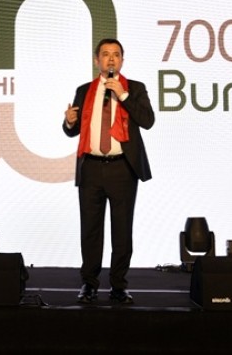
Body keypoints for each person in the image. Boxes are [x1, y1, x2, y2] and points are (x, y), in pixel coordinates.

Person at [63, 38, 155, 304]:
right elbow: (74, 130)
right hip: (91, 167)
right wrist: (68, 123)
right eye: (105, 54)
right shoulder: (84, 90)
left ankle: (118, 285)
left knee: (121, 230)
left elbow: (147, 121)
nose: (111, 58)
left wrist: (123, 96)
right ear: (97, 61)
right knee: (90, 229)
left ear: (122, 60)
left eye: (116, 54)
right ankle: (89, 284)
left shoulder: (135, 89)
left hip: (122, 168)